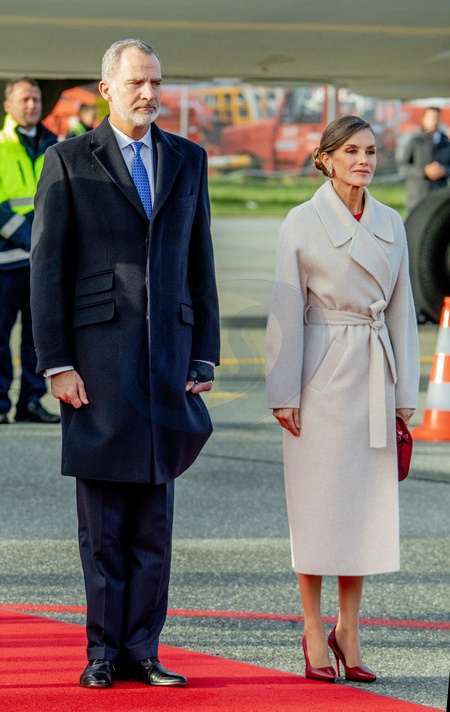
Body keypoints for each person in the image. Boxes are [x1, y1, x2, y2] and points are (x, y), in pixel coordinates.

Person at [30, 39, 220, 689]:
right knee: (104, 525)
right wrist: (56, 362)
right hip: (98, 364)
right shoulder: (67, 160)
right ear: (106, 88)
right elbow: (47, 268)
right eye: (137, 82)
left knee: (153, 524)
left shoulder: (188, 158)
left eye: (156, 82)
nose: (149, 93)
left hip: (167, 363)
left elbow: (200, 261)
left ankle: (144, 649)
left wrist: (204, 353)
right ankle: (103, 652)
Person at [265, 115, 419, 684]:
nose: (364, 161)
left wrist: (405, 394)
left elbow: (402, 309)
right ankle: (312, 628)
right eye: (351, 151)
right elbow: (285, 309)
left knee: (362, 512)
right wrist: (283, 391)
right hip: (319, 378)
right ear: (325, 159)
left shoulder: (392, 222)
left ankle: (348, 631)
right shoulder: (301, 221)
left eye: (371, 152)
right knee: (316, 508)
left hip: (375, 378)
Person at [0, 77, 60, 425]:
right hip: (6, 261)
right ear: (8, 105)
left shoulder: (55, 145)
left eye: (36, 99)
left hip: (43, 263)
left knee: (38, 337)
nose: (32, 105)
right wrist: (32, 239)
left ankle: (31, 402)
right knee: (0, 336)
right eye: (24, 99)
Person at [399, 106, 450, 213]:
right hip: (418, 196)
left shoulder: (446, 143)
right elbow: (403, 166)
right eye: (430, 118)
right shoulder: (415, 141)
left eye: (436, 118)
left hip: (439, 197)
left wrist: (444, 170)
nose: (434, 121)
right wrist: (424, 172)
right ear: (424, 119)